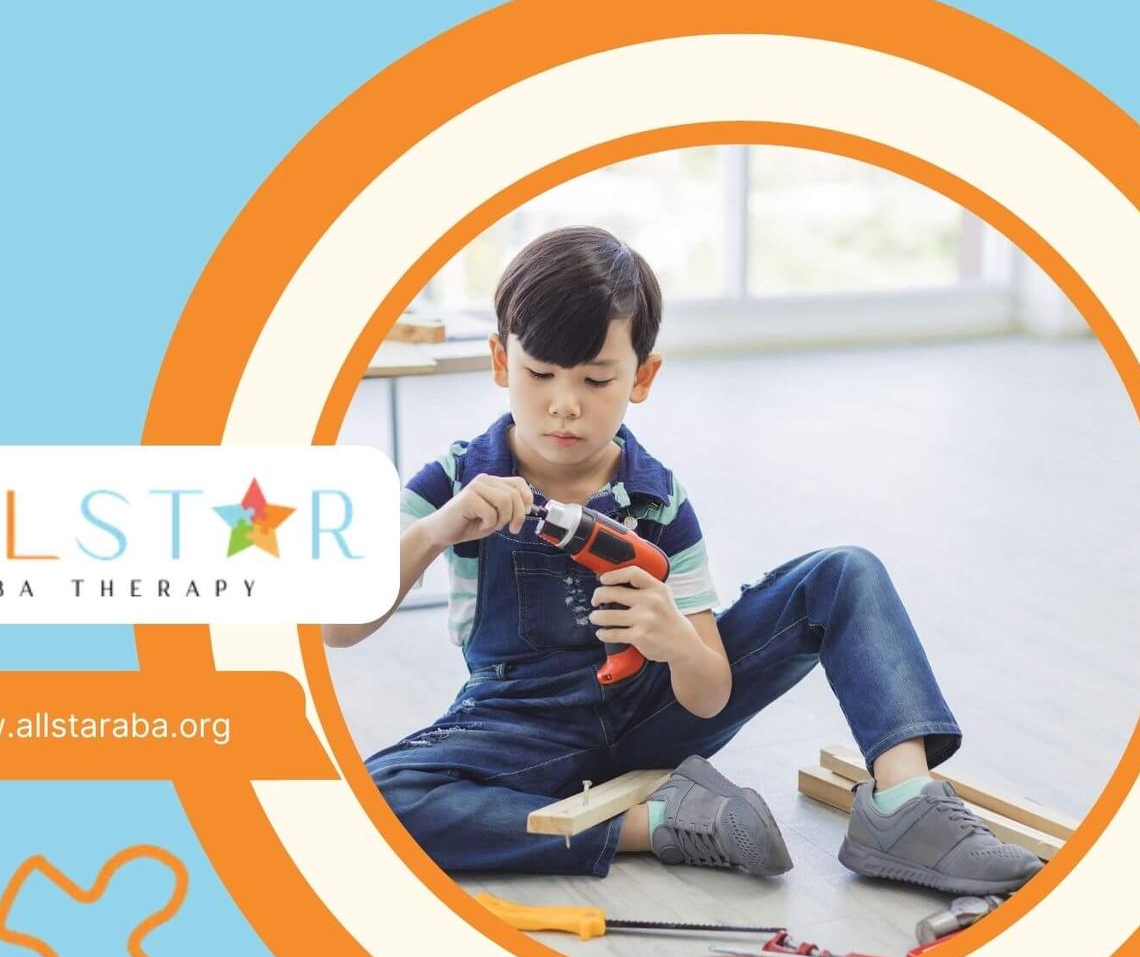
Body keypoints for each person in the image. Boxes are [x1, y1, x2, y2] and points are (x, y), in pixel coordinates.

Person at [325, 225, 1042, 894]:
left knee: (844, 572)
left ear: (643, 376)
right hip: (523, 724)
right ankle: (664, 825)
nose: (564, 405)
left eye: (596, 381)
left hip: (657, 712)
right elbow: (339, 628)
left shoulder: (657, 500)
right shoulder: (456, 479)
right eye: (540, 373)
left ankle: (905, 804)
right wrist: (438, 530)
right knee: (372, 805)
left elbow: (708, 695)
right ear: (498, 361)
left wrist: (674, 639)